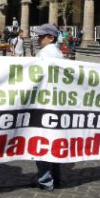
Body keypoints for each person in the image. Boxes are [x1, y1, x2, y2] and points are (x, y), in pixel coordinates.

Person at [33, 23, 66, 189]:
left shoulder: (45, 53)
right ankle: (57, 177)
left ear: (51, 37)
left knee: (43, 141)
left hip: (45, 101)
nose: (38, 38)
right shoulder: (59, 53)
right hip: (57, 101)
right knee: (54, 140)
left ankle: (45, 179)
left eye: (41, 36)